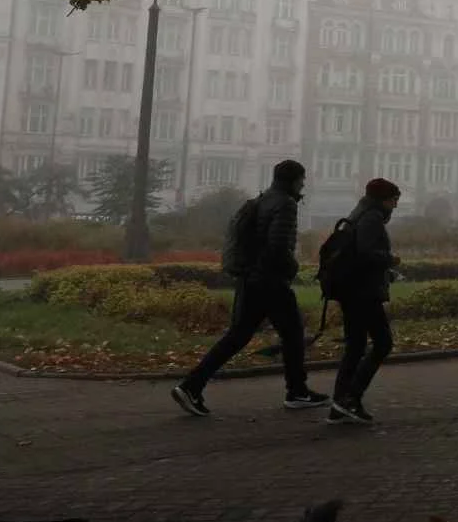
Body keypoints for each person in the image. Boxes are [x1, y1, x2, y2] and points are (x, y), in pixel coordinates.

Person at [171, 160, 327, 417]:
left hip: (250, 277)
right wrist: (292, 267)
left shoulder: (264, 199)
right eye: (302, 179)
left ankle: (191, 386)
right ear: (295, 179)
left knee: (239, 335)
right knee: (292, 332)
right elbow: (278, 246)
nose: (303, 184)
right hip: (270, 281)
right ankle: (297, 392)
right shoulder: (285, 204)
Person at [329, 178, 402, 425]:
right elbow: (366, 253)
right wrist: (390, 260)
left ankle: (339, 405)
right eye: (394, 200)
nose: (395, 206)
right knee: (382, 343)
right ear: (384, 200)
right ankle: (350, 397)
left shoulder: (360, 213)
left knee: (356, 346)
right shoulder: (371, 218)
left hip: (352, 290)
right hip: (363, 292)